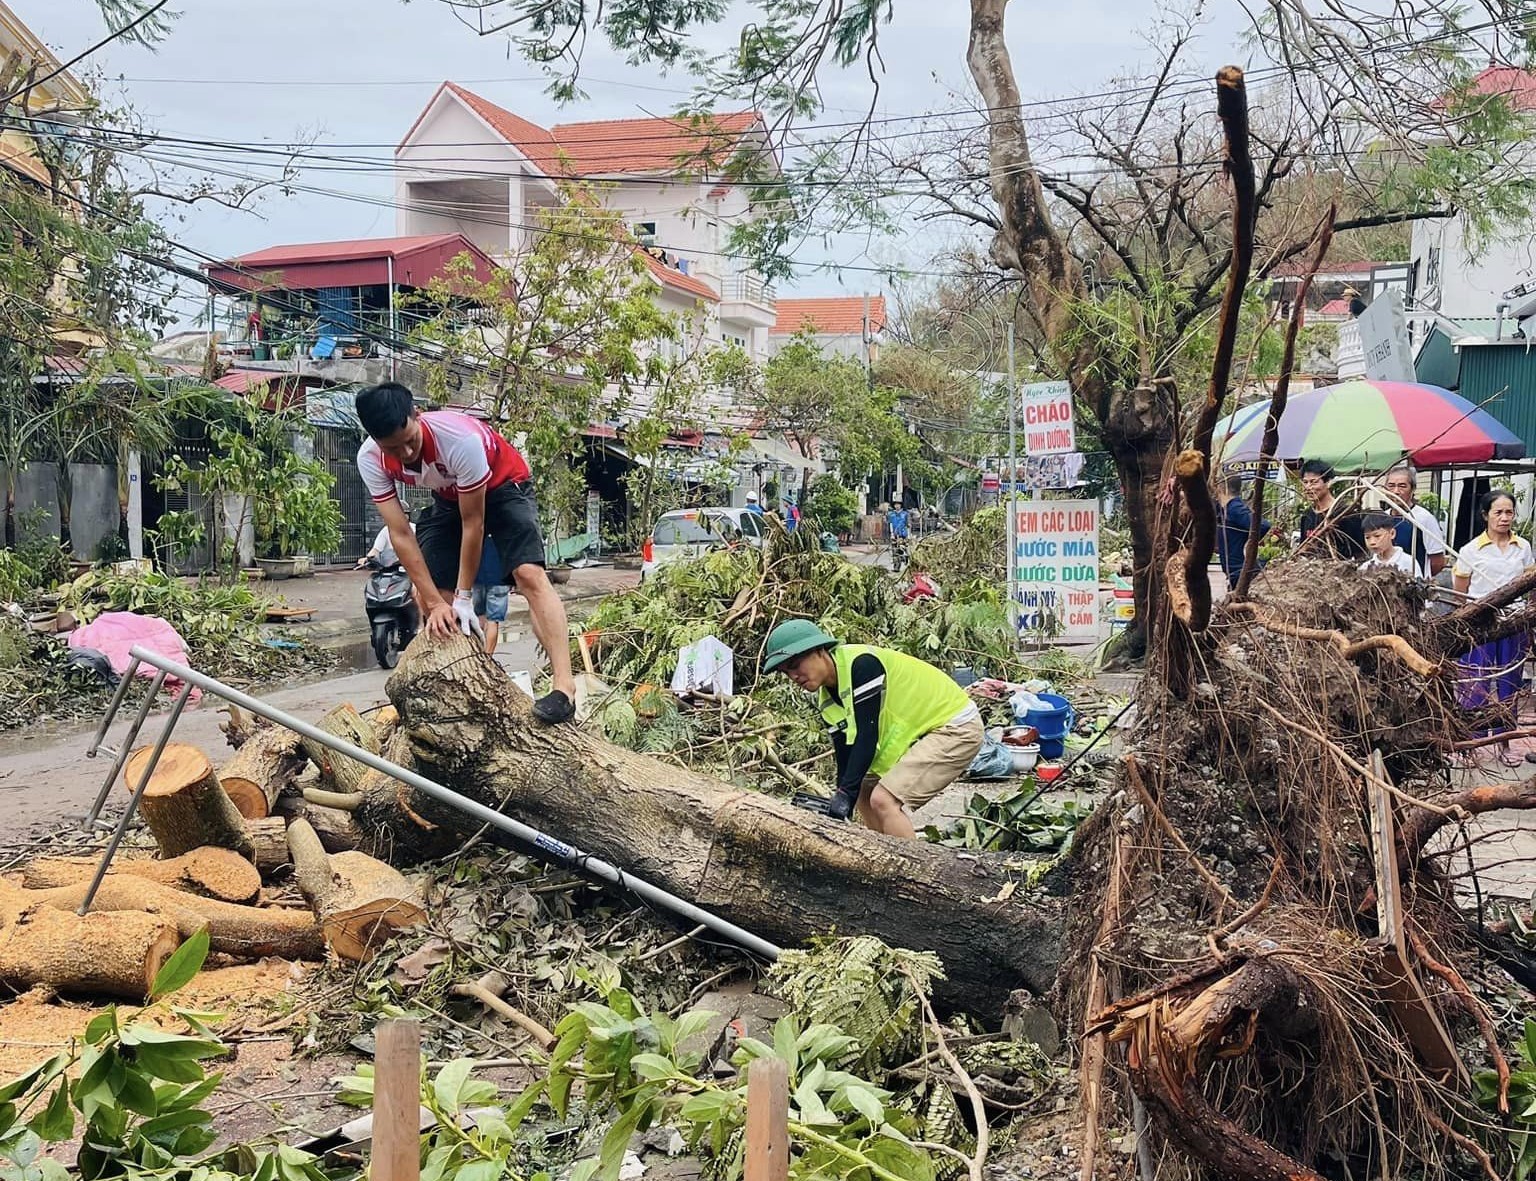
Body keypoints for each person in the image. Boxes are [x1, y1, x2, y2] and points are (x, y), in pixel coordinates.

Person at [353, 382, 577, 724]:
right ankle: (457, 688)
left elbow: (474, 523)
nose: (406, 454)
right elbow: (400, 533)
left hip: (505, 485)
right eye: (393, 450)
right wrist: (439, 602)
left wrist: (463, 597)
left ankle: (564, 688)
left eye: (410, 441)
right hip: (448, 498)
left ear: (417, 415)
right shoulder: (370, 458)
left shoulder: (459, 440)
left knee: (528, 574)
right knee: (428, 594)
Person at [762, 620, 983, 839]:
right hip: (932, 730)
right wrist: (842, 794)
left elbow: (866, 736)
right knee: (863, 793)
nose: (793, 676)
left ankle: (914, 869)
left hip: (956, 727)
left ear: (819, 650)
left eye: (794, 666)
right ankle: (881, 859)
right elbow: (845, 753)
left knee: (883, 800)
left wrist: (845, 794)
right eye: (785, 672)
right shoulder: (826, 700)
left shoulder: (861, 665)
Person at [1452, 490, 1533, 768]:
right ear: (1485, 515)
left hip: (1514, 623)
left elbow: (1528, 585)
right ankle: (1472, 744)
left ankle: (1505, 740)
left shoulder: (1522, 547)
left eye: (1509, 512)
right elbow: (1460, 595)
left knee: (1509, 682)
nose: (1504, 517)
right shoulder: (1471, 549)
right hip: (1480, 624)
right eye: (1498, 512)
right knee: (1476, 683)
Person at [1381, 464, 1446, 577]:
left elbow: (1437, 561)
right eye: (1391, 486)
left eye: (1402, 486)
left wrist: (1420, 577)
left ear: (1412, 489)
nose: (1396, 491)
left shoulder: (1423, 518)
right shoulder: (1382, 518)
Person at [1297, 459, 1367, 560]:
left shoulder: (1345, 512)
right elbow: (1303, 548)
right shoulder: (1307, 515)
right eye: (1305, 482)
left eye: (1314, 482)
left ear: (1328, 482)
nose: (1308, 487)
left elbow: (1360, 552)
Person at [1217, 475, 1271, 591]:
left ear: (1220, 488)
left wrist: (1250, 543)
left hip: (1240, 572)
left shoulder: (1234, 508)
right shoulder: (1224, 509)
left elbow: (1263, 525)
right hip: (1235, 572)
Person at [471, 537, 509, 656]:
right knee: (493, 621)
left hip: (476, 577)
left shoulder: (477, 526)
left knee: (478, 618)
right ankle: (488, 658)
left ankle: (477, 654)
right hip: (500, 578)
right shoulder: (503, 530)